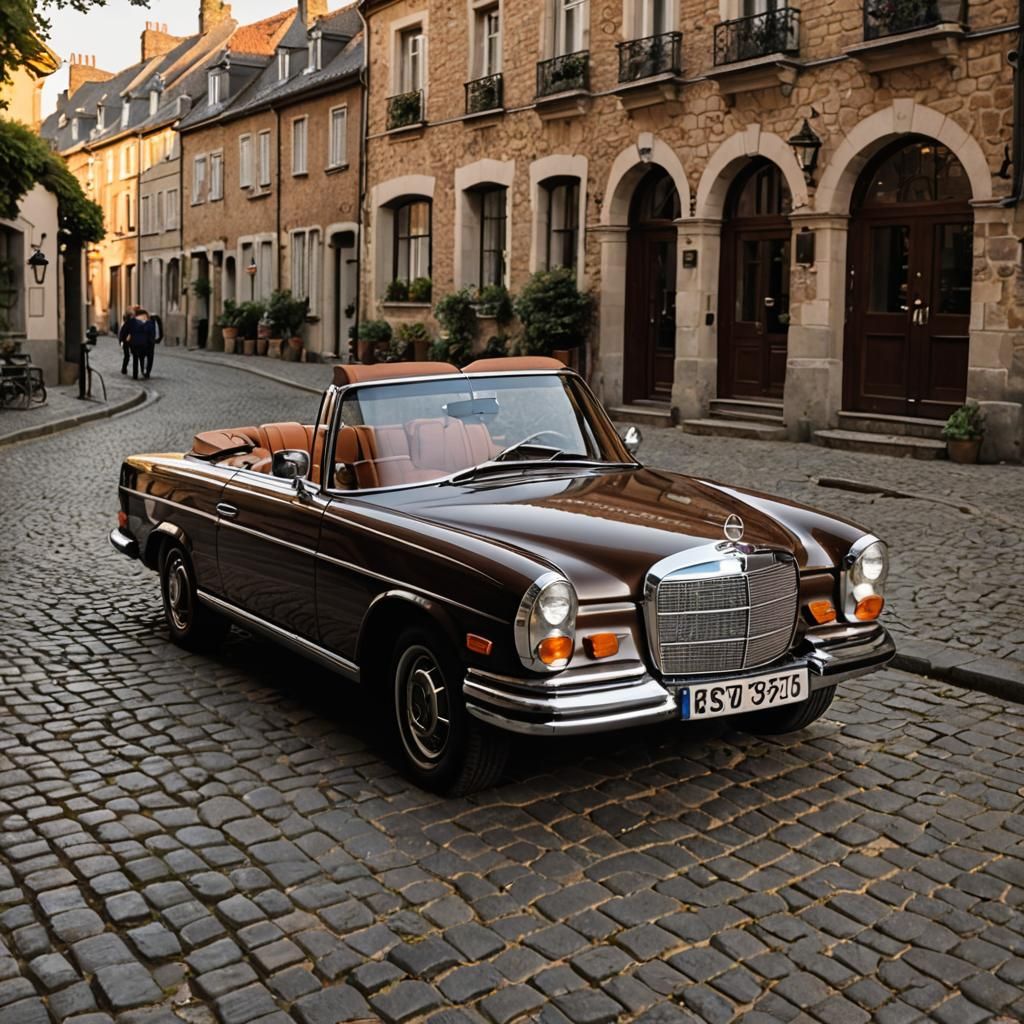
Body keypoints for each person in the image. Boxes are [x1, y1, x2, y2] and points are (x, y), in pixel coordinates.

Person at [125, 308, 156, 380]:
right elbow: (152, 333)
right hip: (146, 344)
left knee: (137, 358)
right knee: (146, 357)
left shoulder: (133, 322)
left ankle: (136, 374)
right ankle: (146, 372)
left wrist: (127, 341)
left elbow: (127, 332)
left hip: (136, 344)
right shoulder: (149, 323)